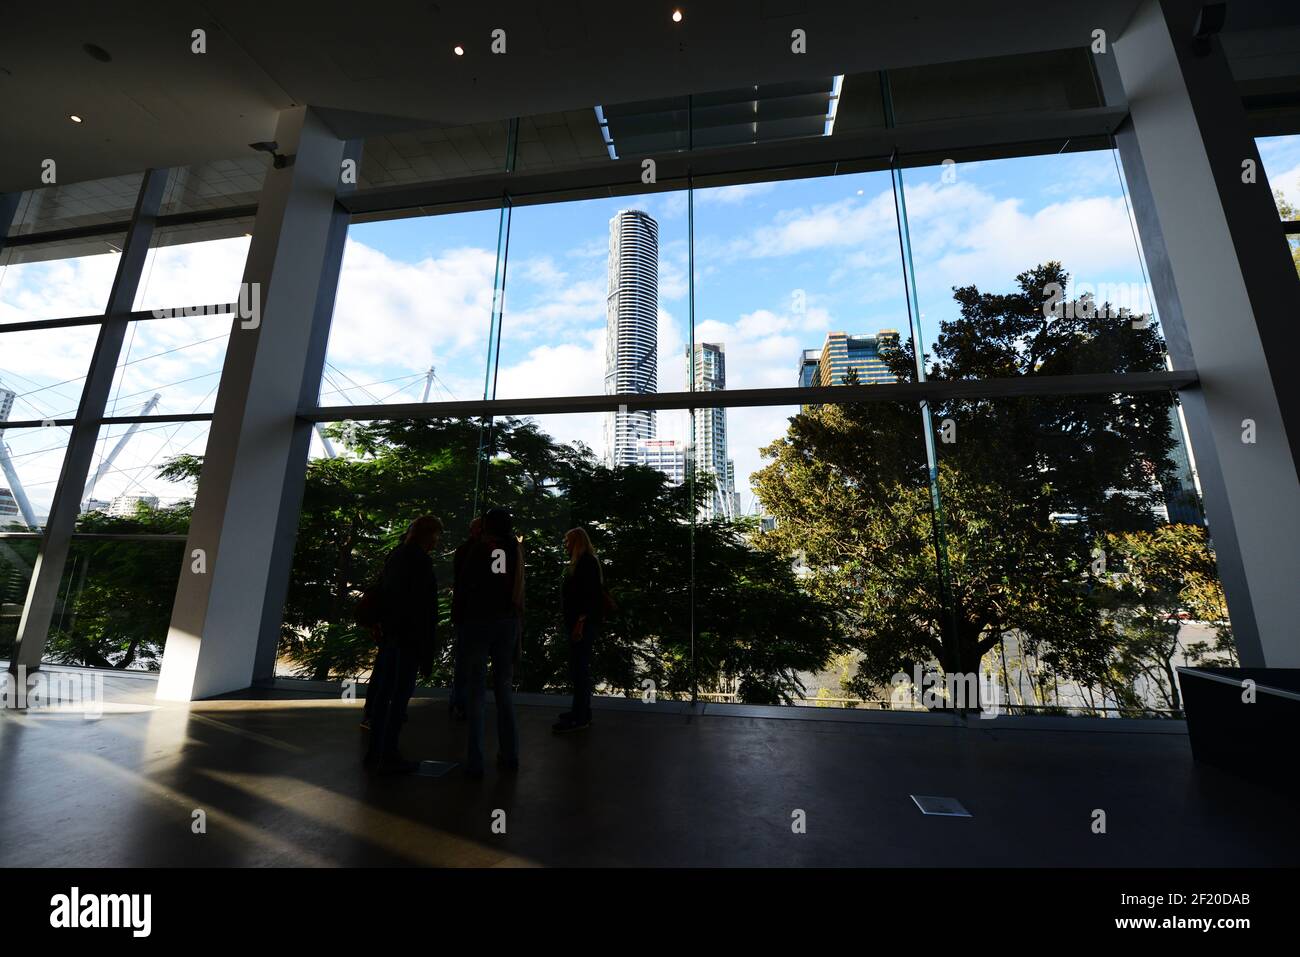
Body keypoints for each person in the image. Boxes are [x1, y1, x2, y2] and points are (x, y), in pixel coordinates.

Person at [364, 515, 442, 774]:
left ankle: (376, 750)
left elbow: (385, 593)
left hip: (391, 634)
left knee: (385, 693)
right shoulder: (420, 562)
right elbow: (422, 608)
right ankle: (389, 752)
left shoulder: (396, 555)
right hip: (408, 637)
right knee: (399, 696)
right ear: (429, 536)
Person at [459, 507, 523, 779]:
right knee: (503, 690)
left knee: (476, 693)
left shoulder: (483, 549)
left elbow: (469, 585)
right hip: (507, 622)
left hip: (480, 623)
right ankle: (510, 754)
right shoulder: (515, 548)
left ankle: (475, 761)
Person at [554, 526, 604, 733]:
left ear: (576, 543)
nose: (564, 545)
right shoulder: (587, 562)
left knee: (579, 670)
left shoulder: (585, 564)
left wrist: (579, 623)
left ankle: (580, 715)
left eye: (567, 541)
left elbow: (588, 597)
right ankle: (581, 711)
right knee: (579, 669)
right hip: (580, 623)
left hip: (581, 625)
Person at [448, 516, 483, 721]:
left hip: (465, 614)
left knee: (463, 659)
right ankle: (463, 702)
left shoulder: (463, 550)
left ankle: (459, 702)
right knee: (468, 661)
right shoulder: (493, 552)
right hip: (476, 615)